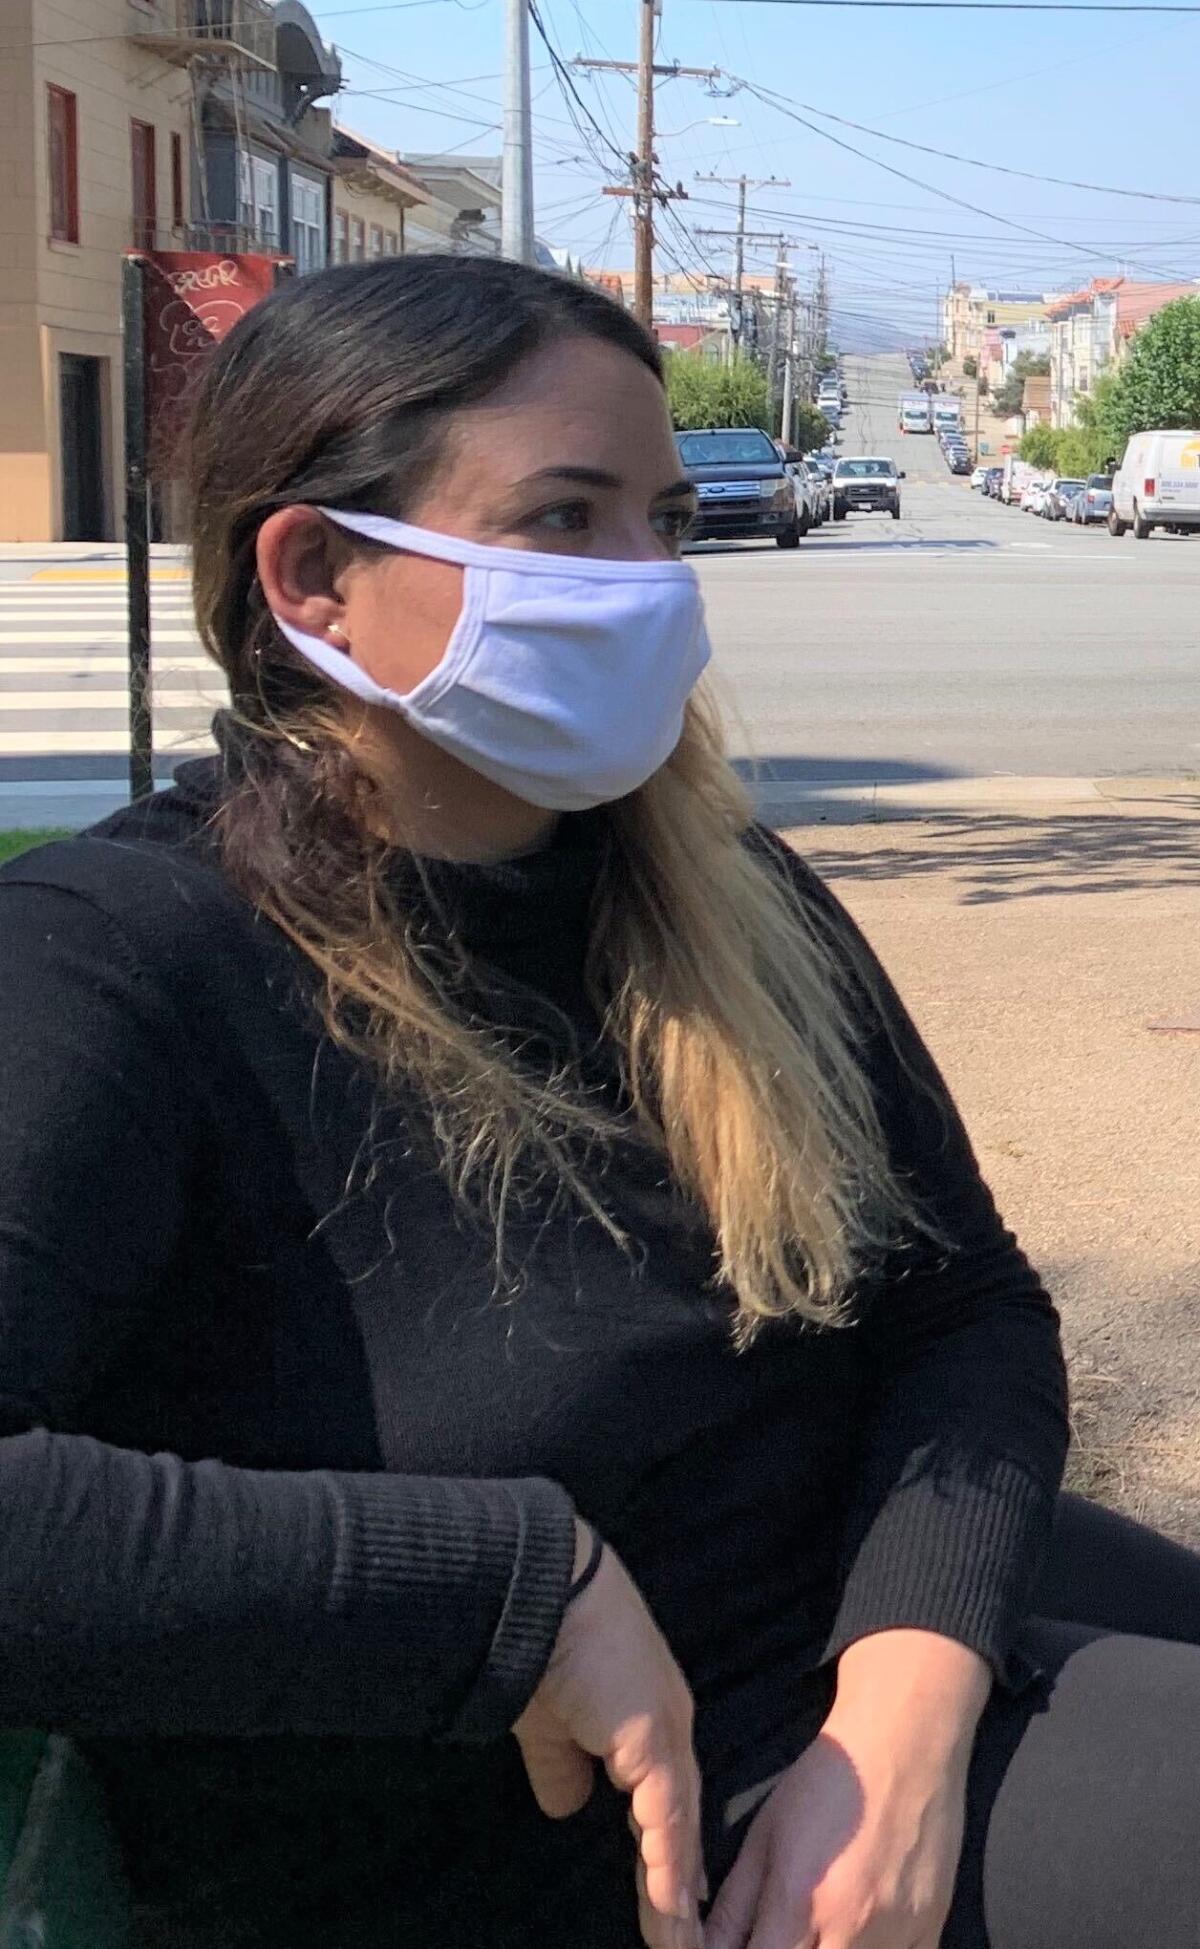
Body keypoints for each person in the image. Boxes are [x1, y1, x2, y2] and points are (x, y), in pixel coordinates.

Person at [1, 256, 1199, 1949]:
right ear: (317, 575)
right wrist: (512, 1592)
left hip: (847, 1681)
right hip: (540, 1842)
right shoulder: (121, 961)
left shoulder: (726, 894)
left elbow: (965, 1309)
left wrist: (907, 1712)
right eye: (565, 520)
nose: (651, 585)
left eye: (659, 519)